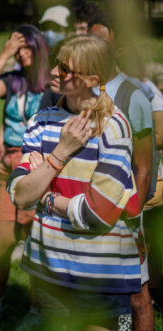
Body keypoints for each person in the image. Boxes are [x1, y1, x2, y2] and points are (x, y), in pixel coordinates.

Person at [7, 35, 142, 329]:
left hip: (102, 274)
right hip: (48, 268)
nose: (54, 72)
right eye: (57, 64)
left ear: (92, 78)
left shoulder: (113, 125)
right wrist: (61, 152)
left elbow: (99, 212)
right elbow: (19, 195)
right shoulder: (40, 121)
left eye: (65, 70)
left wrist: (45, 196)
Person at [0, 25, 52, 329]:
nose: (22, 54)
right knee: (1, 245)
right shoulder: (13, 81)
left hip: (35, 167)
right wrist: (5, 54)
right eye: (18, 49)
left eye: (27, 48)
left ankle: (35, 310)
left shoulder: (51, 87)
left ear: (40, 49)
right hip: (7, 166)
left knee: (35, 245)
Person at [89, 17, 155, 330]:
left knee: (136, 295)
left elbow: (143, 167)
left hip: (126, 213)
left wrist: (132, 216)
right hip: (92, 210)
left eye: (101, 42)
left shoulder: (134, 96)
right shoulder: (84, 93)